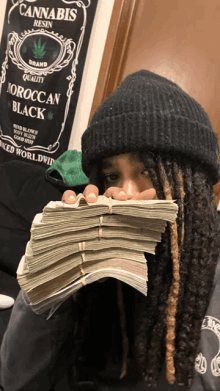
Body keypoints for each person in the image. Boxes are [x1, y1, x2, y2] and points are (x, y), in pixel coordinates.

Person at [0, 70, 220, 391]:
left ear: (196, 186)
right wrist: (47, 282)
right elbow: (17, 381)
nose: (124, 193)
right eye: (112, 177)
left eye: (147, 172)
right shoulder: (94, 268)